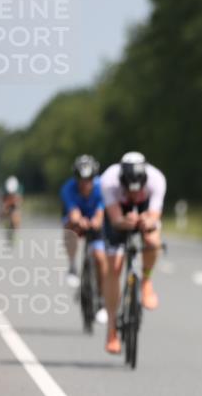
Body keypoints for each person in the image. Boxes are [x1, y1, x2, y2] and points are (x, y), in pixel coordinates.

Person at [99, 151, 166, 354]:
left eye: (138, 190)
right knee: (114, 265)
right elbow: (114, 218)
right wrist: (124, 222)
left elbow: (154, 216)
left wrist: (148, 222)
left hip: (145, 210)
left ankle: (145, 281)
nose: (134, 193)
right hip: (118, 213)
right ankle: (112, 328)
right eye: (130, 189)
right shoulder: (108, 180)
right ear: (122, 182)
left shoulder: (157, 179)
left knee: (152, 241)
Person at [61, 155, 109, 323]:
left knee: (100, 258)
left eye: (88, 179)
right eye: (81, 179)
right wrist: (78, 220)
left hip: (95, 221)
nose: (85, 183)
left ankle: (101, 301)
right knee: (69, 229)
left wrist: (95, 221)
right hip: (77, 220)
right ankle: (73, 265)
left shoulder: (102, 187)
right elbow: (73, 212)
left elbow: (100, 213)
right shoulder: (68, 188)